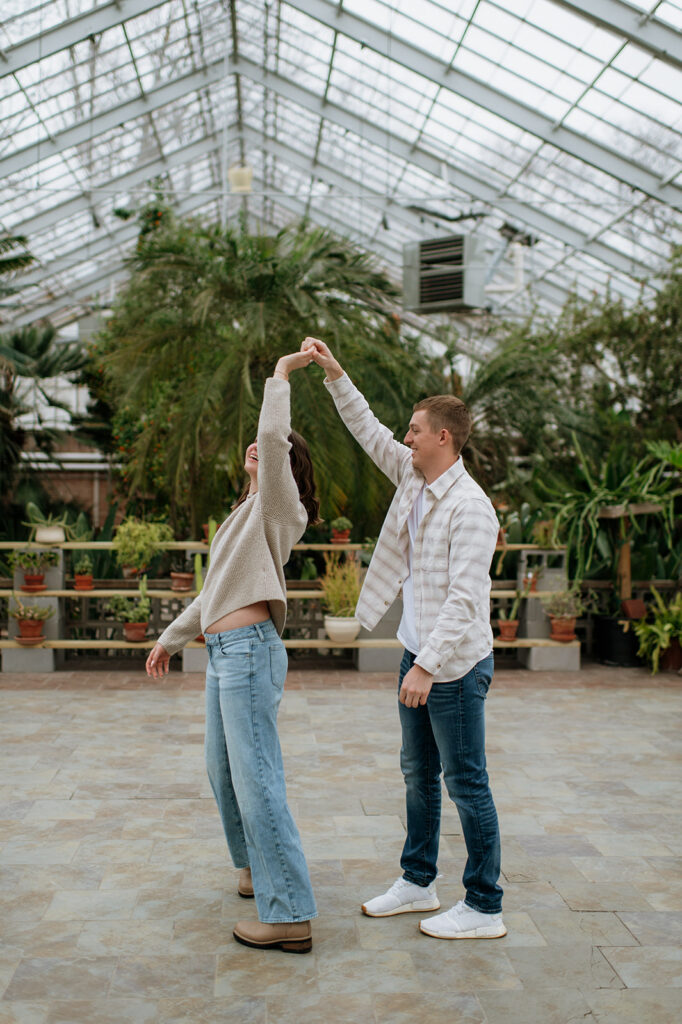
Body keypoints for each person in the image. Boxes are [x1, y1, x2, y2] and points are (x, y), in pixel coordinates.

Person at [302, 336, 506, 940]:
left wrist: (427, 667)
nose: (406, 436)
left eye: (415, 430)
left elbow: (467, 603)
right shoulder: (414, 479)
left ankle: (484, 907)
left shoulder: (472, 509)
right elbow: (366, 429)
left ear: (443, 436)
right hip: (417, 655)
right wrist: (335, 372)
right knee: (417, 774)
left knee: (466, 782)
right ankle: (418, 882)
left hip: (456, 667)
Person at [146, 350, 319, 954]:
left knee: (258, 777)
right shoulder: (244, 515)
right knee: (224, 772)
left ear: (283, 467)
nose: (258, 448)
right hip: (225, 654)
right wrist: (170, 639)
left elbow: (271, 436)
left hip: (248, 653)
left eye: (270, 451)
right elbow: (212, 593)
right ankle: (254, 870)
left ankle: (290, 913)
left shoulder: (279, 507)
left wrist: (281, 373)